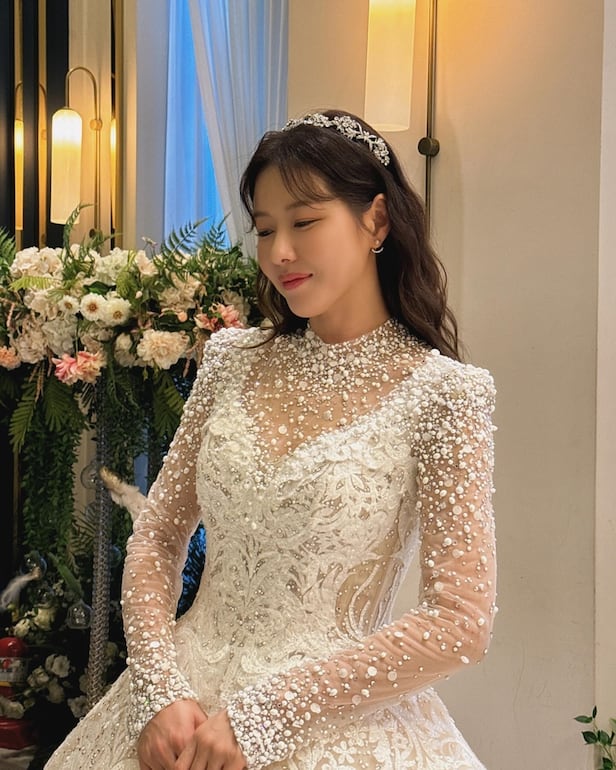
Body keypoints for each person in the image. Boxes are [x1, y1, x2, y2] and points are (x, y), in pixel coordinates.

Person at [45, 109, 497, 770]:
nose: (279, 251)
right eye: (264, 229)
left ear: (376, 220)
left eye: (304, 222)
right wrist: (157, 690)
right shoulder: (232, 359)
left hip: (328, 724)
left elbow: (460, 620)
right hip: (179, 710)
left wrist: (269, 712)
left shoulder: (446, 394)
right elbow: (158, 536)